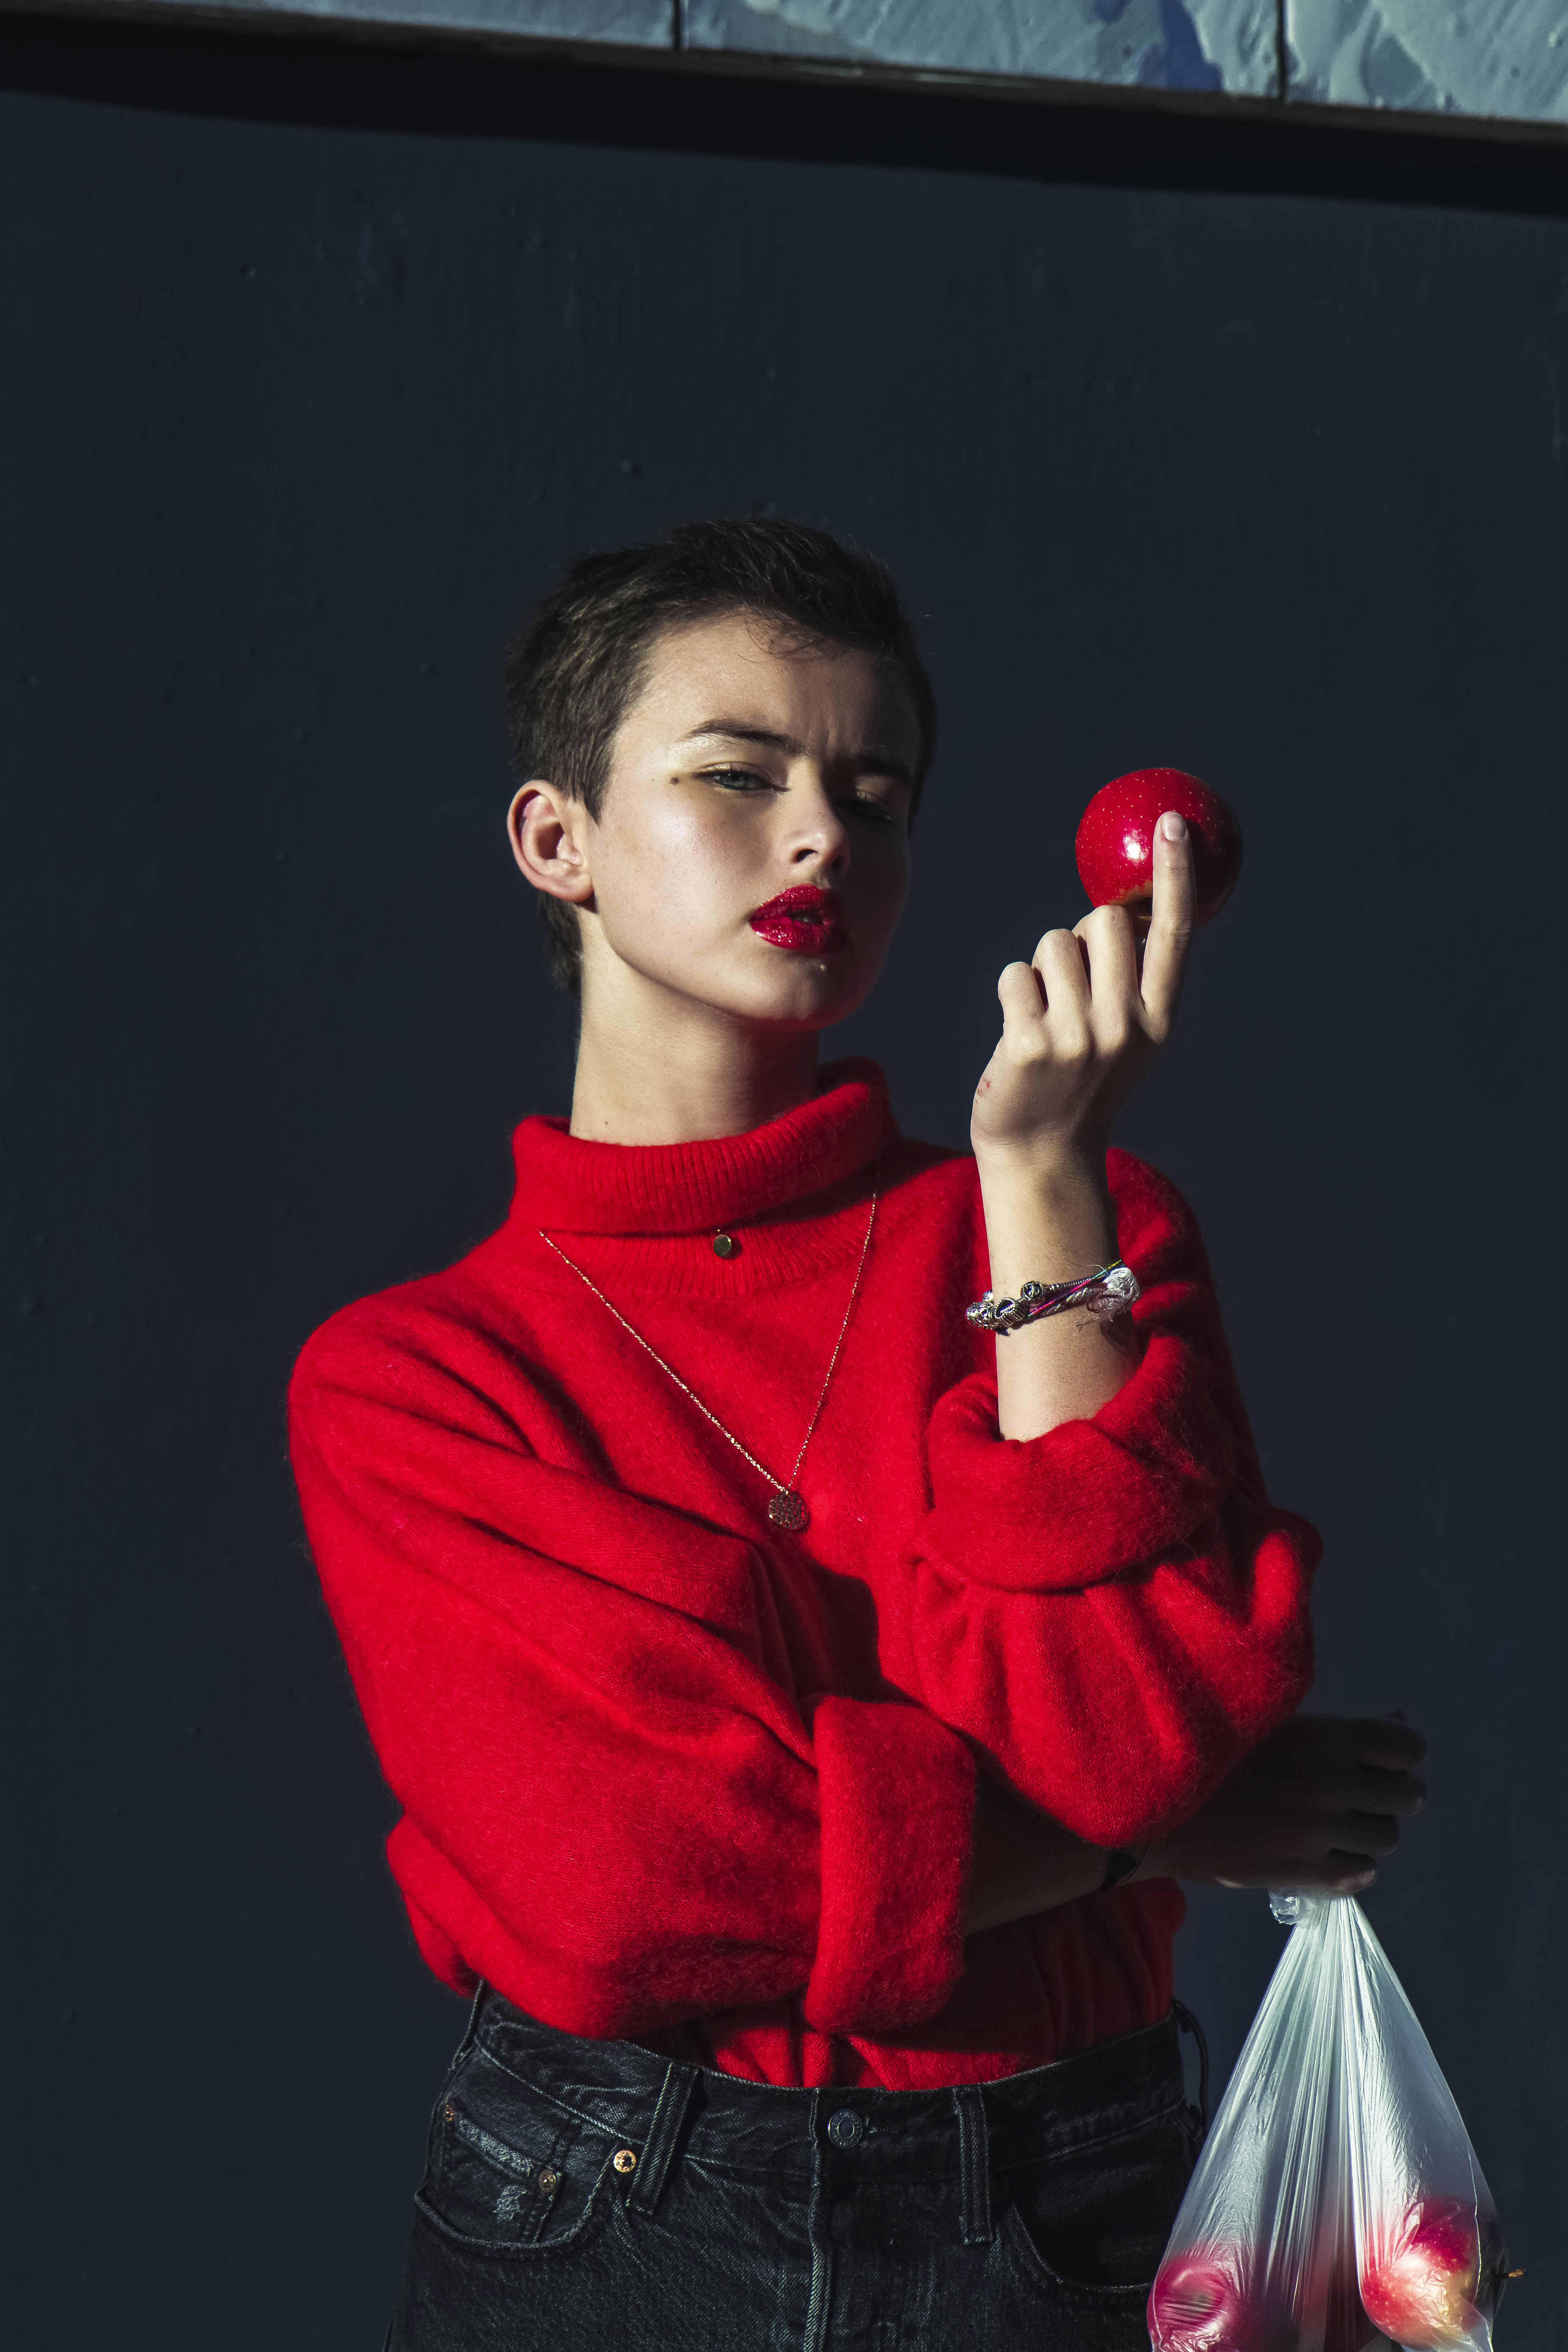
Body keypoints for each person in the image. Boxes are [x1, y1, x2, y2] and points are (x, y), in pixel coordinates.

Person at [287, 517, 1428, 2351]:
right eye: (739, 776)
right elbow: (635, 1895)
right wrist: (1156, 1842)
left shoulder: (1083, 1222)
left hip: (1070, 2198)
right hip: (616, 2215)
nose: (824, 834)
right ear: (554, 840)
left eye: (874, 794)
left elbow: (1125, 1732)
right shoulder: (416, 1378)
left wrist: (1040, 1180)